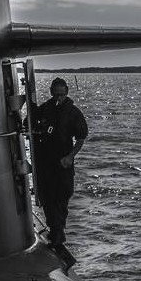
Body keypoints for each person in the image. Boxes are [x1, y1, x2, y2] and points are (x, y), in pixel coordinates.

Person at [31, 77, 88, 249]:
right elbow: (30, 121)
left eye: (61, 95)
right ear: (51, 92)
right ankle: (56, 231)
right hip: (46, 160)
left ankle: (58, 230)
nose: (58, 98)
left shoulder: (73, 112)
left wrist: (70, 156)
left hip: (63, 161)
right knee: (47, 196)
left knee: (63, 195)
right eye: (56, 95)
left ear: (67, 92)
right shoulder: (46, 109)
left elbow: (81, 137)